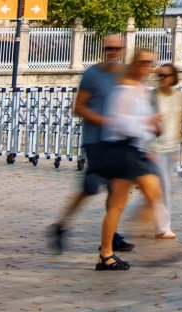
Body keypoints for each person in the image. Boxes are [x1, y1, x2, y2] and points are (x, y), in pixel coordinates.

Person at [50, 36, 133, 256]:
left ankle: (110, 235)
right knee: (90, 187)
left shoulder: (125, 74)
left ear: (122, 49)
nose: (112, 52)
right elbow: (78, 107)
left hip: (116, 139)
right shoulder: (92, 74)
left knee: (115, 188)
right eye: (109, 48)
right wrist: (103, 120)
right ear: (104, 49)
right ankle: (61, 225)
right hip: (95, 140)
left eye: (116, 48)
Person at [93, 51, 168, 271]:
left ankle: (109, 252)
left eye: (150, 63)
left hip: (136, 150)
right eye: (144, 62)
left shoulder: (140, 90)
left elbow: (141, 123)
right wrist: (148, 122)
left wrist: (150, 134)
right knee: (121, 203)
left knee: (150, 195)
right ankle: (106, 254)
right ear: (135, 64)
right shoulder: (124, 89)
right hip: (122, 150)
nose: (148, 66)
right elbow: (117, 122)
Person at [149, 62, 182, 239]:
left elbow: (179, 120)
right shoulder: (153, 96)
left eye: (165, 75)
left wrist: (179, 145)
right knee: (160, 187)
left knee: (162, 188)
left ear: (173, 78)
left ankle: (159, 223)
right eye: (159, 75)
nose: (161, 79)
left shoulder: (179, 96)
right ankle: (162, 226)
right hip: (155, 147)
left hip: (170, 146)